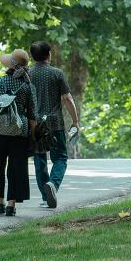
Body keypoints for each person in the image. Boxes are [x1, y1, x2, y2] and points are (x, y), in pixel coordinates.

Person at [0, 49, 37, 217]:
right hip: (19, 131)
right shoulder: (27, 86)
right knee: (15, 168)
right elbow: (32, 114)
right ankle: (11, 205)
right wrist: (32, 134)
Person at [29, 41, 80, 209]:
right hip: (55, 123)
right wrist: (75, 120)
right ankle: (53, 184)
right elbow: (67, 98)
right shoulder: (56, 73)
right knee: (60, 158)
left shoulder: (27, 74)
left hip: (35, 125)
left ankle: (45, 197)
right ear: (48, 54)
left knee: (40, 160)